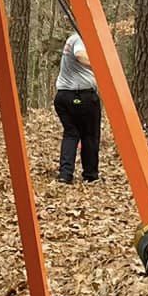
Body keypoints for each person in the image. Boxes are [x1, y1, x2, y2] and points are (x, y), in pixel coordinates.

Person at [53, 30, 101, 183]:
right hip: (80, 96)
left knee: (71, 133)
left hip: (63, 96)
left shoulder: (71, 38)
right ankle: (90, 175)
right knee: (89, 135)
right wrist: (100, 64)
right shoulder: (80, 39)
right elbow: (80, 55)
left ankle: (65, 174)